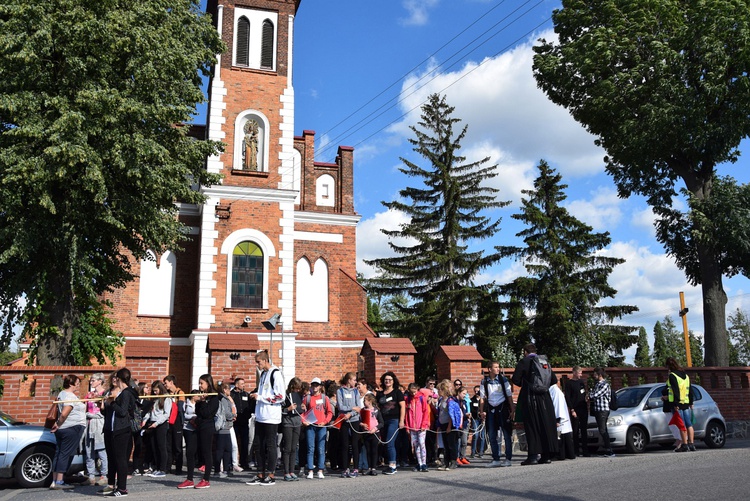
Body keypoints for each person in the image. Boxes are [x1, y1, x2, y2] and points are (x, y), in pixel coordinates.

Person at [511, 344, 559, 465]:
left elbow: (515, 379)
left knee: (532, 426)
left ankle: (532, 456)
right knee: (545, 425)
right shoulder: (544, 361)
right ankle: (546, 456)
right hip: (545, 397)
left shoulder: (524, 361)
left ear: (525, 352)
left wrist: (527, 383)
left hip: (530, 396)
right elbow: (553, 380)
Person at [246, 351, 285, 486]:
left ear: (265, 360)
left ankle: (271, 474)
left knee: (270, 445)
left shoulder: (276, 373)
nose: (257, 365)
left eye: (259, 362)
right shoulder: (263, 374)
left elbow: (280, 397)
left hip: (271, 417)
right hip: (261, 416)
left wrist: (261, 398)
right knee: (258, 445)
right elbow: (264, 393)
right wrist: (257, 395)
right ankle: (260, 473)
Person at [178, 374, 219, 489]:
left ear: (208, 383)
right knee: (190, 451)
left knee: (206, 452)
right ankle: (189, 479)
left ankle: (206, 479)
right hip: (198, 426)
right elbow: (197, 411)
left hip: (207, 427)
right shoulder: (202, 396)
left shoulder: (214, 397)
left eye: (202, 383)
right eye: (199, 383)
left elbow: (207, 414)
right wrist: (200, 401)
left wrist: (204, 401)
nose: (200, 386)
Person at [103, 368, 138, 497]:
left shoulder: (127, 393)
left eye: (116, 378)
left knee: (121, 460)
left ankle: (122, 488)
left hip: (122, 430)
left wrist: (112, 403)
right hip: (115, 429)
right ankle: (115, 486)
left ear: (119, 378)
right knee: (115, 459)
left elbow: (123, 412)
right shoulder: (124, 392)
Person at [49, 374, 86, 490]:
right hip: (71, 428)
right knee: (65, 454)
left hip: (64, 429)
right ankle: (59, 481)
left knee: (59, 453)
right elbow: (65, 412)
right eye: (77, 383)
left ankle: (54, 480)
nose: (78, 385)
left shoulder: (62, 394)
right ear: (71, 384)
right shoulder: (69, 396)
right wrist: (58, 423)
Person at [480, 360, 515, 468]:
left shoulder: (503, 380)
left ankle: (508, 458)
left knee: (506, 434)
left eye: (498, 367)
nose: (498, 369)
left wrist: (512, 409)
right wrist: (481, 411)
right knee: (491, 434)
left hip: (502, 408)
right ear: (489, 369)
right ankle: (496, 458)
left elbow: (509, 395)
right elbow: (482, 398)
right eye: (495, 367)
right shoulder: (484, 382)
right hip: (491, 409)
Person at [301, 377, 333, 479]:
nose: (315, 387)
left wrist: (325, 422)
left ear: (320, 387)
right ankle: (310, 470)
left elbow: (329, 412)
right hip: (311, 425)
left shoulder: (325, 398)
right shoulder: (307, 398)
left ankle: (320, 469)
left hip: (321, 426)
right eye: (313, 385)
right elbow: (302, 412)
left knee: (321, 449)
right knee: (310, 448)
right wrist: (303, 421)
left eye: (317, 385)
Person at [376, 371, 405, 475]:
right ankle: (389, 464)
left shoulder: (397, 392)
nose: (387, 381)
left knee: (389, 442)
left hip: (394, 420)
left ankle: (393, 466)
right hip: (383, 421)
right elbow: (378, 407)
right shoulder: (379, 394)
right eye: (386, 380)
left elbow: (402, 407)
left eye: (389, 380)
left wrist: (401, 421)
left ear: (393, 381)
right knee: (385, 443)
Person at [665, 357, 695, 452]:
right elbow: (690, 389)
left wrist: (676, 403)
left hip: (678, 404)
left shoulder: (672, 376)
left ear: (669, 366)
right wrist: (691, 402)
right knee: (689, 424)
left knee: (681, 425)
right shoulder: (686, 376)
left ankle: (684, 445)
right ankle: (692, 444)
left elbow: (675, 390)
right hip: (686, 402)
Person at [83, 373, 108, 486]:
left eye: (93, 380)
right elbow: (85, 409)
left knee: (101, 450)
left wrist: (90, 414)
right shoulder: (89, 394)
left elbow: (104, 411)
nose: (91, 382)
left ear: (100, 381)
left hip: (99, 423)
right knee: (89, 451)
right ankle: (91, 476)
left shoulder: (105, 394)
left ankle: (104, 475)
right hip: (89, 424)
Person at [143, 381, 172, 477]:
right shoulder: (154, 399)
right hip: (152, 423)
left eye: (156, 390)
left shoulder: (166, 398)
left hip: (161, 424)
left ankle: (162, 469)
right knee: (154, 447)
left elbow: (166, 414)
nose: (155, 393)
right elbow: (149, 412)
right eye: (154, 391)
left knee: (161, 447)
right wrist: (145, 420)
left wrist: (156, 423)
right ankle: (156, 467)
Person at [337, 372, 362, 478]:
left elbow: (358, 407)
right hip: (344, 420)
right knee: (345, 445)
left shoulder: (356, 391)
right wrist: (350, 409)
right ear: (348, 380)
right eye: (354, 380)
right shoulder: (340, 391)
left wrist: (351, 413)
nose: (355, 382)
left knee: (355, 444)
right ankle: (345, 468)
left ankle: (356, 468)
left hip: (354, 420)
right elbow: (340, 406)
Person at [435, 380, 462, 471]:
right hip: (442, 424)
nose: (438, 391)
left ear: (444, 390)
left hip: (449, 425)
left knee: (451, 444)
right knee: (445, 445)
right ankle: (446, 462)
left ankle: (453, 461)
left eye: (439, 390)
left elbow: (451, 415)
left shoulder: (450, 401)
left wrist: (449, 426)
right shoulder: (440, 400)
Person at [589, 367, 615, 458]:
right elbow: (592, 393)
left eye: (595, 374)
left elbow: (595, 394)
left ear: (599, 375)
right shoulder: (597, 384)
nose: (594, 376)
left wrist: (589, 395)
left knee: (602, 430)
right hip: (598, 410)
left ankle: (609, 450)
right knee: (603, 429)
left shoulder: (605, 384)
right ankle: (607, 448)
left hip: (603, 410)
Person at [404, 382, 430, 472]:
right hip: (412, 426)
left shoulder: (422, 398)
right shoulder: (407, 399)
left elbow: (425, 412)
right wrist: (407, 426)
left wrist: (424, 424)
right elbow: (407, 414)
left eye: (414, 392)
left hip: (421, 426)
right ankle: (419, 463)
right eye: (411, 392)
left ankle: (424, 463)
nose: (413, 394)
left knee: (422, 444)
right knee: (415, 445)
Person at [564, 366, 589, 456]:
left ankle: (585, 450)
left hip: (583, 408)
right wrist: (572, 409)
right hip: (575, 409)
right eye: (579, 373)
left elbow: (583, 393)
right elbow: (567, 397)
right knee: (575, 431)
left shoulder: (581, 382)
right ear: (574, 373)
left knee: (584, 430)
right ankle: (576, 450)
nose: (580, 375)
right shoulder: (569, 383)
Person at [281, 377, 302, 481]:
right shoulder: (285, 395)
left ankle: (292, 471)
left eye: (299, 389)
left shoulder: (299, 395)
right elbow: (280, 410)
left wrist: (302, 407)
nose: (297, 391)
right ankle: (286, 472)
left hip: (297, 422)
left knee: (294, 448)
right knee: (287, 448)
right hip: (288, 423)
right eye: (296, 388)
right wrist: (288, 409)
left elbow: (301, 408)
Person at [163, 375, 185, 475]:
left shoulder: (180, 393)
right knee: (168, 446)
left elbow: (180, 408)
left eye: (166, 383)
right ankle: (168, 468)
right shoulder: (166, 394)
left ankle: (178, 468)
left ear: (171, 382)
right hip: (168, 421)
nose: (164, 385)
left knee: (177, 446)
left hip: (177, 421)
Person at [360, 393, 384, 476]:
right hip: (366, 433)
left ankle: (374, 467)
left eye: (365, 400)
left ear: (370, 401)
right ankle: (369, 467)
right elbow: (360, 421)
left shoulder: (376, 410)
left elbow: (381, 423)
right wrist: (362, 424)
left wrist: (375, 429)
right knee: (368, 450)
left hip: (375, 433)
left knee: (374, 450)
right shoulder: (362, 411)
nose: (363, 402)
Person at [549, 384, 576, 460]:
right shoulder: (553, 390)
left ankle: (560, 455)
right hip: (561, 417)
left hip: (559, 417)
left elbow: (557, 405)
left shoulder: (555, 391)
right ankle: (568, 454)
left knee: (560, 436)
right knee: (564, 436)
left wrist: (557, 419)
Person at [231, 376, 252, 470]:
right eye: (242, 384)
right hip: (234, 423)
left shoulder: (246, 395)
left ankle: (244, 463)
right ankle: (233, 463)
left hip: (244, 422)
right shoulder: (231, 395)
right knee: (233, 443)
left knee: (245, 443)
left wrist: (248, 415)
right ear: (236, 385)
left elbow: (250, 406)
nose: (243, 385)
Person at [454, 380, 471, 465]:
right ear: (459, 393)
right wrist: (465, 415)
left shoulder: (464, 401)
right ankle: (456, 457)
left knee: (464, 441)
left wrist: (467, 415)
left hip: (464, 423)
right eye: (464, 394)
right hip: (458, 424)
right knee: (458, 442)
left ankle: (462, 456)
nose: (465, 395)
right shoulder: (455, 401)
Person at [469, 385, 485, 458]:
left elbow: (486, 408)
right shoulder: (472, 400)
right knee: (475, 435)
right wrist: (477, 412)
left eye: (478, 391)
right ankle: (473, 451)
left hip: (482, 419)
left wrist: (484, 413)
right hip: (475, 419)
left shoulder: (484, 400)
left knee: (482, 436)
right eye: (475, 391)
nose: (476, 392)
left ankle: (481, 451)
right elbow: (471, 409)